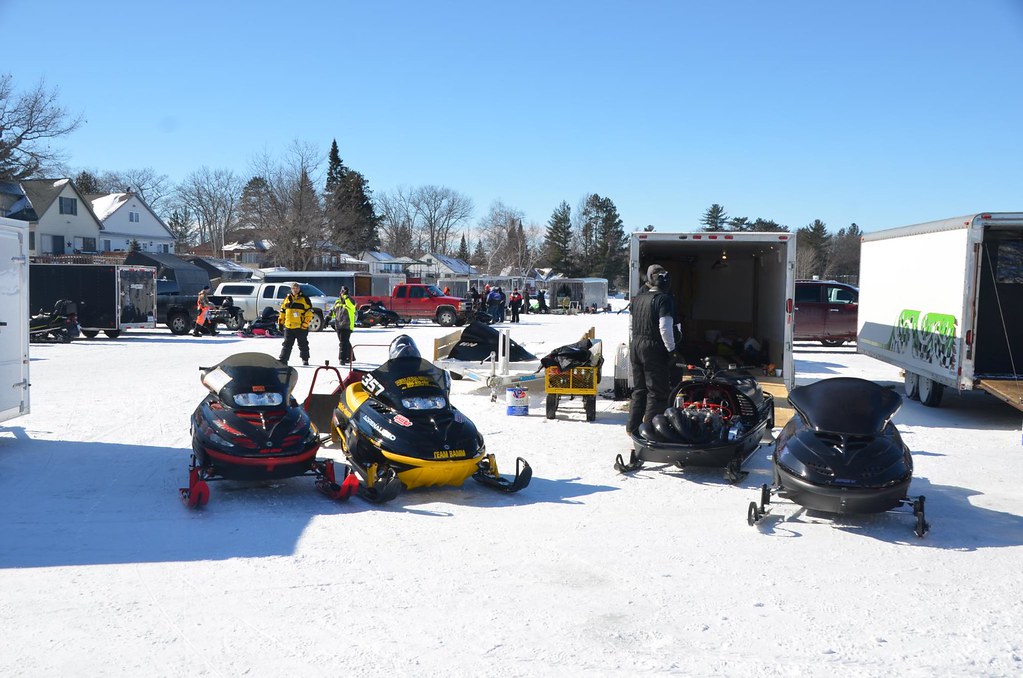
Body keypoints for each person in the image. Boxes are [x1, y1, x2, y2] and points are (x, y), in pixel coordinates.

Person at [627, 264, 677, 436]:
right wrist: (671, 350)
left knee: (640, 390)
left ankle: (632, 428)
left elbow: (632, 326)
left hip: (637, 345)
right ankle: (650, 432)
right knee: (657, 391)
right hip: (653, 347)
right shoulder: (664, 299)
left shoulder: (638, 298)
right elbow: (665, 327)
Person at [278, 282, 313, 366]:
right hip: (289, 326)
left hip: (300, 327)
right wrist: (280, 323)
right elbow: (282, 312)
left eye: (297, 288)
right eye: (294, 288)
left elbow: (309, 313)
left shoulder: (304, 299)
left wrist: (305, 324)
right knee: (287, 344)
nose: (295, 290)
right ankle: (283, 360)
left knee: (303, 344)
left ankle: (305, 359)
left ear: (299, 289)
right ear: (291, 289)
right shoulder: (287, 299)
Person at [333, 287, 357, 364]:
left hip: (347, 325)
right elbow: (334, 311)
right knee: (345, 341)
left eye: (344, 292)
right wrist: (328, 317)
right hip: (338, 325)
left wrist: (346, 297)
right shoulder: (337, 301)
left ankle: (342, 358)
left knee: (343, 343)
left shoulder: (350, 301)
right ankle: (351, 357)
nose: (343, 293)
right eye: (342, 291)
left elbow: (351, 306)